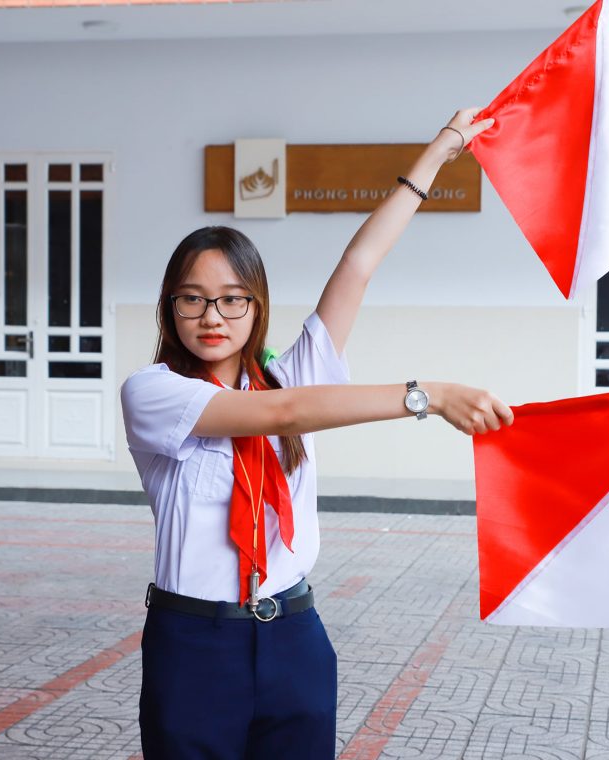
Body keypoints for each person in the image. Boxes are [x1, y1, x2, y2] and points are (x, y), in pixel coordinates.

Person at [120, 108, 512, 760]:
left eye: (231, 298)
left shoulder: (289, 376)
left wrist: (440, 151)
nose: (211, 315)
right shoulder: (155, 392)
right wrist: (429, 396)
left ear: (256, 305)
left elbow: (360, 262)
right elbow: (285, 417)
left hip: (293, 637)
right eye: (191, 298)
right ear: (170, 309)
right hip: (193, 645)